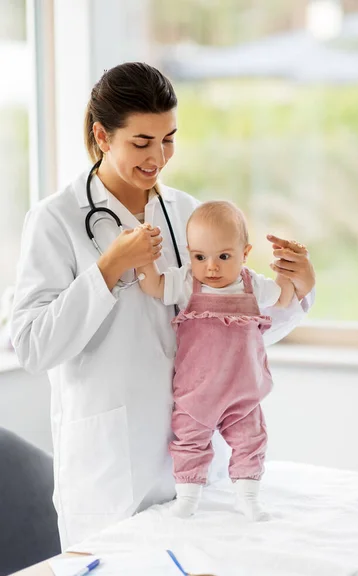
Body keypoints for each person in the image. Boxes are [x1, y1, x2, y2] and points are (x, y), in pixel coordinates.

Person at [10, 62, 316, 549]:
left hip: (192, 461)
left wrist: (295, 291)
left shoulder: (187, 212)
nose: (158, 157)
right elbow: (30, 347)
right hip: (111, 468)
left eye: (168, 138)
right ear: (102, 135)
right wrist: (107, 270)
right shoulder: (56, 219)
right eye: (142, 142)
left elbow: (229, 331)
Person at [137, 201, 296, 521]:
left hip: (244, 391)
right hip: (197, 390)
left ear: (245, 253)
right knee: (189, 442)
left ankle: (249, 498)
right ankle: (187, 499)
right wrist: (146, 261)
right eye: (199, 257)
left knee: (251, 441)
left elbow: (283, 297)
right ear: (189, 253)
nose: (211, 267)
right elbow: (153, 285)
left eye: (224, 257)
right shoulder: (186, 282)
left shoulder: (253, 284)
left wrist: (288, 272)